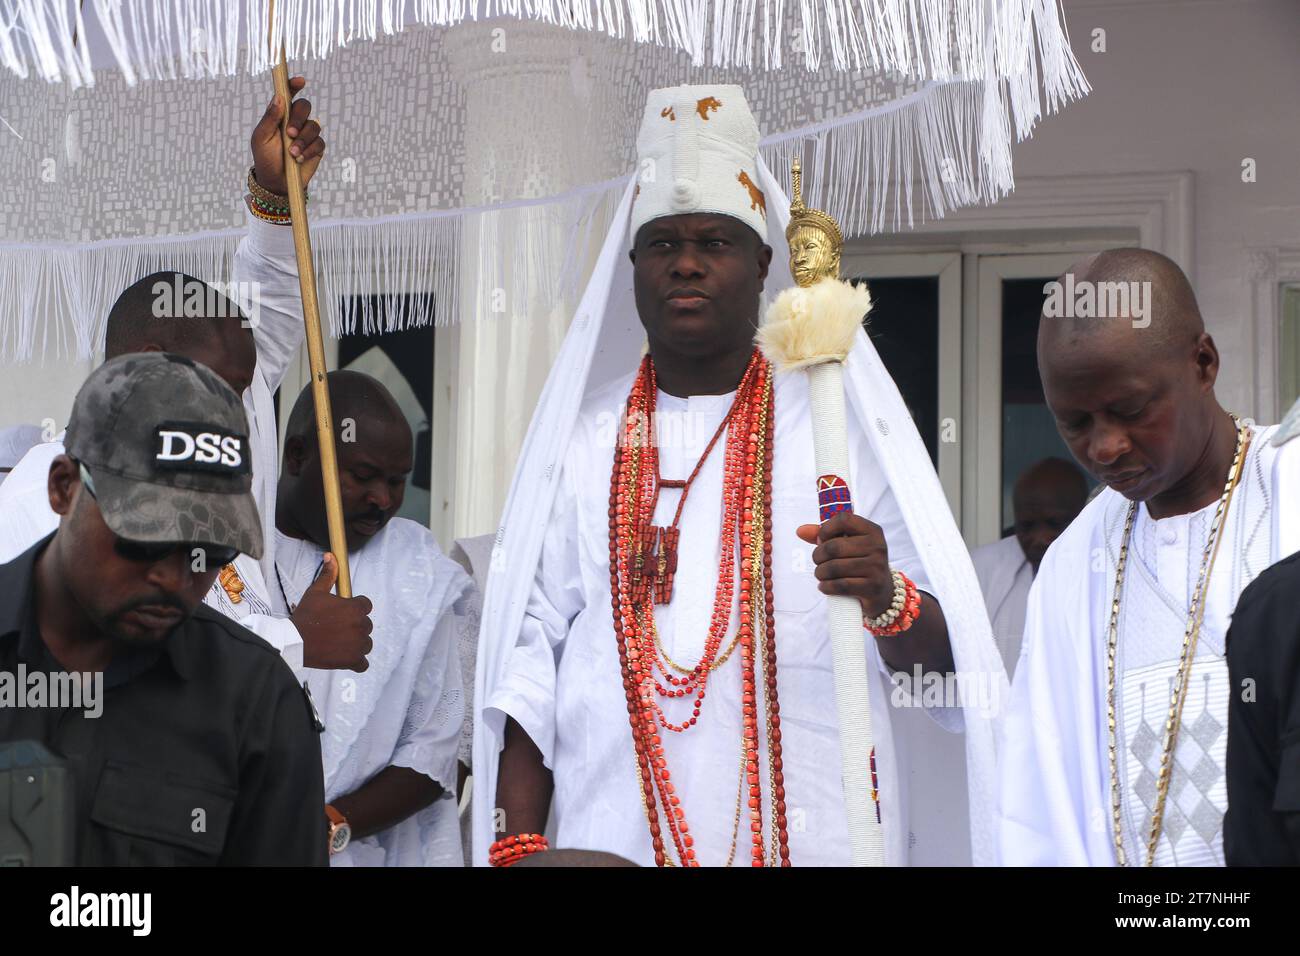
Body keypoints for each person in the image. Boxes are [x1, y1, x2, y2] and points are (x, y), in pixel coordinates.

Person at [473, 85, 1006, 868]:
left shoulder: (835, 430)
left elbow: (952, 676)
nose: (685, 263)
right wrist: (517, 844)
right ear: (633, 268)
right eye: (662, 244)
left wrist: (886, 596)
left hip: (813, 837)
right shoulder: (584, 441)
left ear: (763, 263)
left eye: (714, 242)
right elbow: (531, 657)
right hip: (612, 836)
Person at [0, 78, 372, 679]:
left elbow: (274, 314)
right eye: (229, 394)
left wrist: (276, 195)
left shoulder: (209, 441)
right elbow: (100, 675)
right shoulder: (49, 498)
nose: (241, 414)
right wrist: (292, 645)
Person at [996, 248, 1300, 866]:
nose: (1105, 447)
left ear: (1204, 363)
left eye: (1131, 410)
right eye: (1074, 424)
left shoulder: (1291, 488)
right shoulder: (1074, 560)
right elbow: (1038, 798)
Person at [0, 353, 325, 865]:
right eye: (145, 540)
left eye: (211, 553)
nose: (175, 580)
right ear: (63, 487)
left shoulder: (257, 705)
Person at [271, 371, 475, 866]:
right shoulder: (227, 555)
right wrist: (294, 643)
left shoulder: (417, 569)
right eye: (362, 477)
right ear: (298, 456)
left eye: (397, 482)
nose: (382, 499)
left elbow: (436, 748)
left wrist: (330, 824)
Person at [970, 457, 1088, 675]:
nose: (1040, 538)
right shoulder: (979, 571)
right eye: (1026, 526)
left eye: (1054, 523)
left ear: (1083, 516)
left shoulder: (1111, 569)